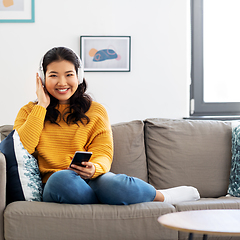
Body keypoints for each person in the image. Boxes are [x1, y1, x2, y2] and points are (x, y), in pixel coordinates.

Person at [13, 46, 200, 205]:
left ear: (79, 76)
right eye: (53, 75)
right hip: (56, 184)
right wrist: (42, 106)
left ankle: (163, 196)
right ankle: (107, 199)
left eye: (69, 74)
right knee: (61, 179)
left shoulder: (95, 111)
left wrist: (94, 168)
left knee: (114, 183)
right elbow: (23, 148)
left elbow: (103, 151)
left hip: (92, 179)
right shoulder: (30, 112)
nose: (62, 82)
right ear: (42, 78)